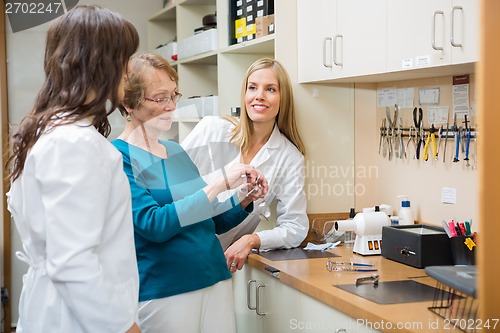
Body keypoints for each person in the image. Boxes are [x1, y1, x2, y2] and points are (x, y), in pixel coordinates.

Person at [5, 5, 141, 333]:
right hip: (80, 318)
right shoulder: (74, 143)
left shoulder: (50, 130)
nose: (128, 72)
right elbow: (73, 263)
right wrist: (125, 328)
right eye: (124, 59)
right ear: (100, 63)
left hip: (60, 311)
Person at [112, 52, 268, 333]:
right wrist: (219, 182)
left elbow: (211, 222)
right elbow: (154, 224)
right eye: (160, 98)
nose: (171, 106)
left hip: (215, 279)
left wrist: (242, 198)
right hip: (166, 291)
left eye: (174, 95)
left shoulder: (175, 151)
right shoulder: (118, 158)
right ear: (128, 103)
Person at [181, 57, 308, 269]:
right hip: (173, 249)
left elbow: (295, 227)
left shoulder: (289, 157)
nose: (259, 96)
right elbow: (168, 185)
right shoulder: (211, 129)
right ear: (244, 94)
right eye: (252, 87)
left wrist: (252, 240)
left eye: (270, 89)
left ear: (282, 98)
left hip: (216, 263)